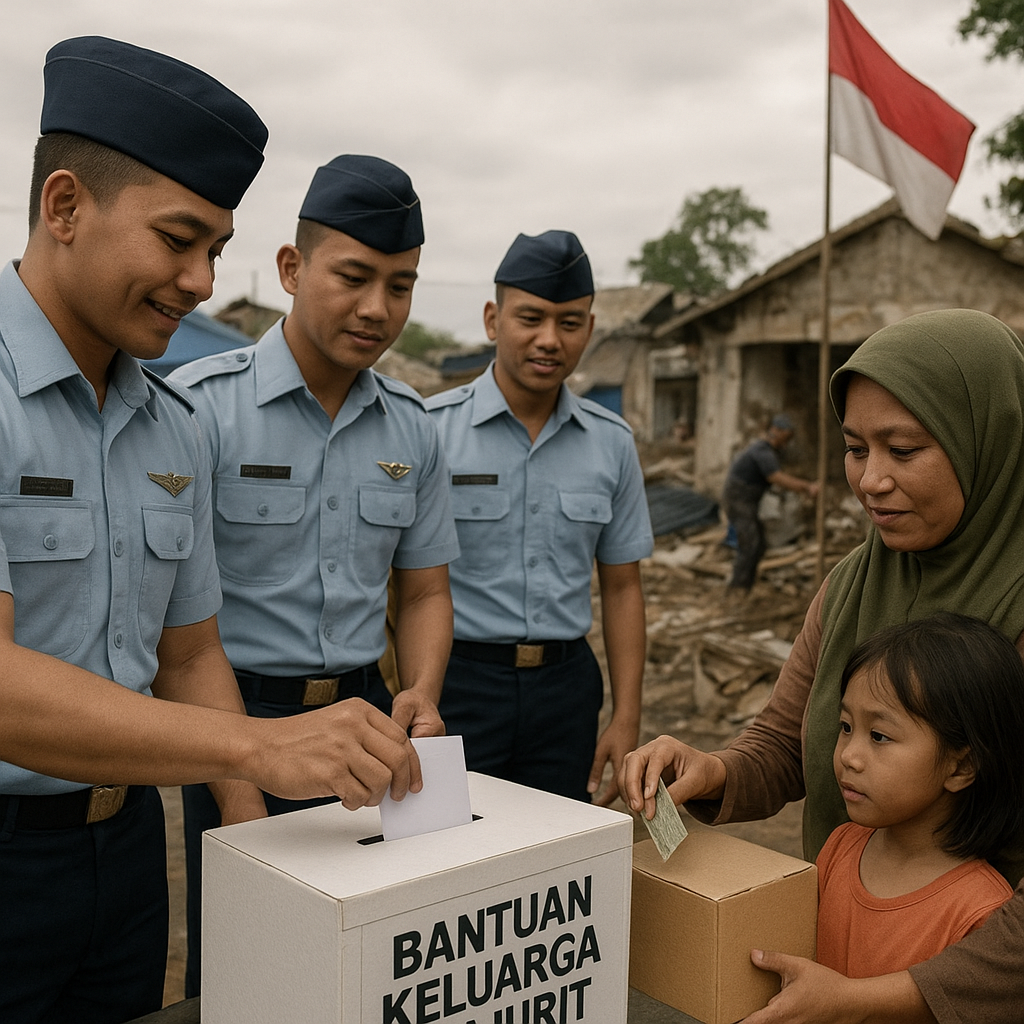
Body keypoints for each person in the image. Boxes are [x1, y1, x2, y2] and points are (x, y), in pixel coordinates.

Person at [0, 38, 421, 1024]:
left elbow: (189, 654)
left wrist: (250, 847)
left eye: (217, 250)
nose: (199, 280)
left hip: (127, 852)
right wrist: (259, 750)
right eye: (178, 240)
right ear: (64, 207)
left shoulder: (174, 422)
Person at [619, 308, 1024, 1023]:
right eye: (854, 448)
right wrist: (713, 770)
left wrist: (875, 1000)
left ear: (987, 440)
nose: (869, 480)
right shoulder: (851, 585)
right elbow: (785, 743)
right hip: (836, 958)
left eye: (902, 449)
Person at [169, 153, 458, 995]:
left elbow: (426, 589)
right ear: (292, 269)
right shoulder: (198, 410)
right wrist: (238, 793)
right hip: (239, 720)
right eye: (355, 277)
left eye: (400, 286)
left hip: (369, 725)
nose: (378, 309)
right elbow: (180, 635)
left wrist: (425, 690)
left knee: (367, 970)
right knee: (248, 973)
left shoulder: (412, 424)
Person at [426, 230, 653, 805]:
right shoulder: (429, 430)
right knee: (446, 858)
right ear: (492, 320)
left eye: (570, 322)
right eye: (530, 318)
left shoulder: (612, 443)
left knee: (556, 860)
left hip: (566, 689)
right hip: (458, 684)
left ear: (590, 330)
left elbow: (623, 587)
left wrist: (626, 716)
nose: (549, 340)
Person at [817, 613, 1020, 978]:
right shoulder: (841, 847)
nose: (848, 755)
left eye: (879, 736)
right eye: (846, 727)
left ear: (961, 767)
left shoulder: (980, 912)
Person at [722, 414, 818, 592]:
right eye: (786, 437)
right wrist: (806, 487)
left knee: (758, 545)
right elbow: (776, 477)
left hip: (747, 501)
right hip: (739, 501)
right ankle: (737, 589)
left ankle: (745, 586)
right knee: (749, 544)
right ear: (776, 431)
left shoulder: (769, 452)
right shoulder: (762, 451)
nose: (787, 443)